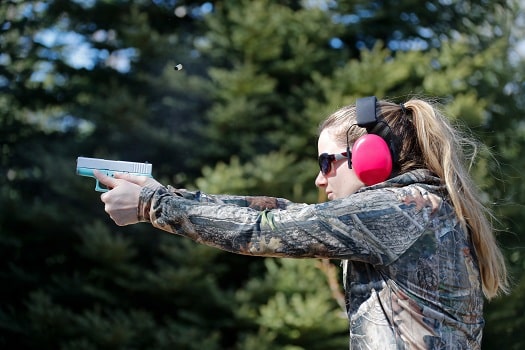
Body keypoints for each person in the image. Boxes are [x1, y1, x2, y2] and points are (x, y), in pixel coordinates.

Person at [94, 96, 508, 349]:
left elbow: (264, 231)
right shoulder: (420, 207)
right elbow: (279, 214)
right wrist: (166, 195)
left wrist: (153, 205)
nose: (320, 177)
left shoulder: (398, 209)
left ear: (370, 157)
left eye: (328, 162)